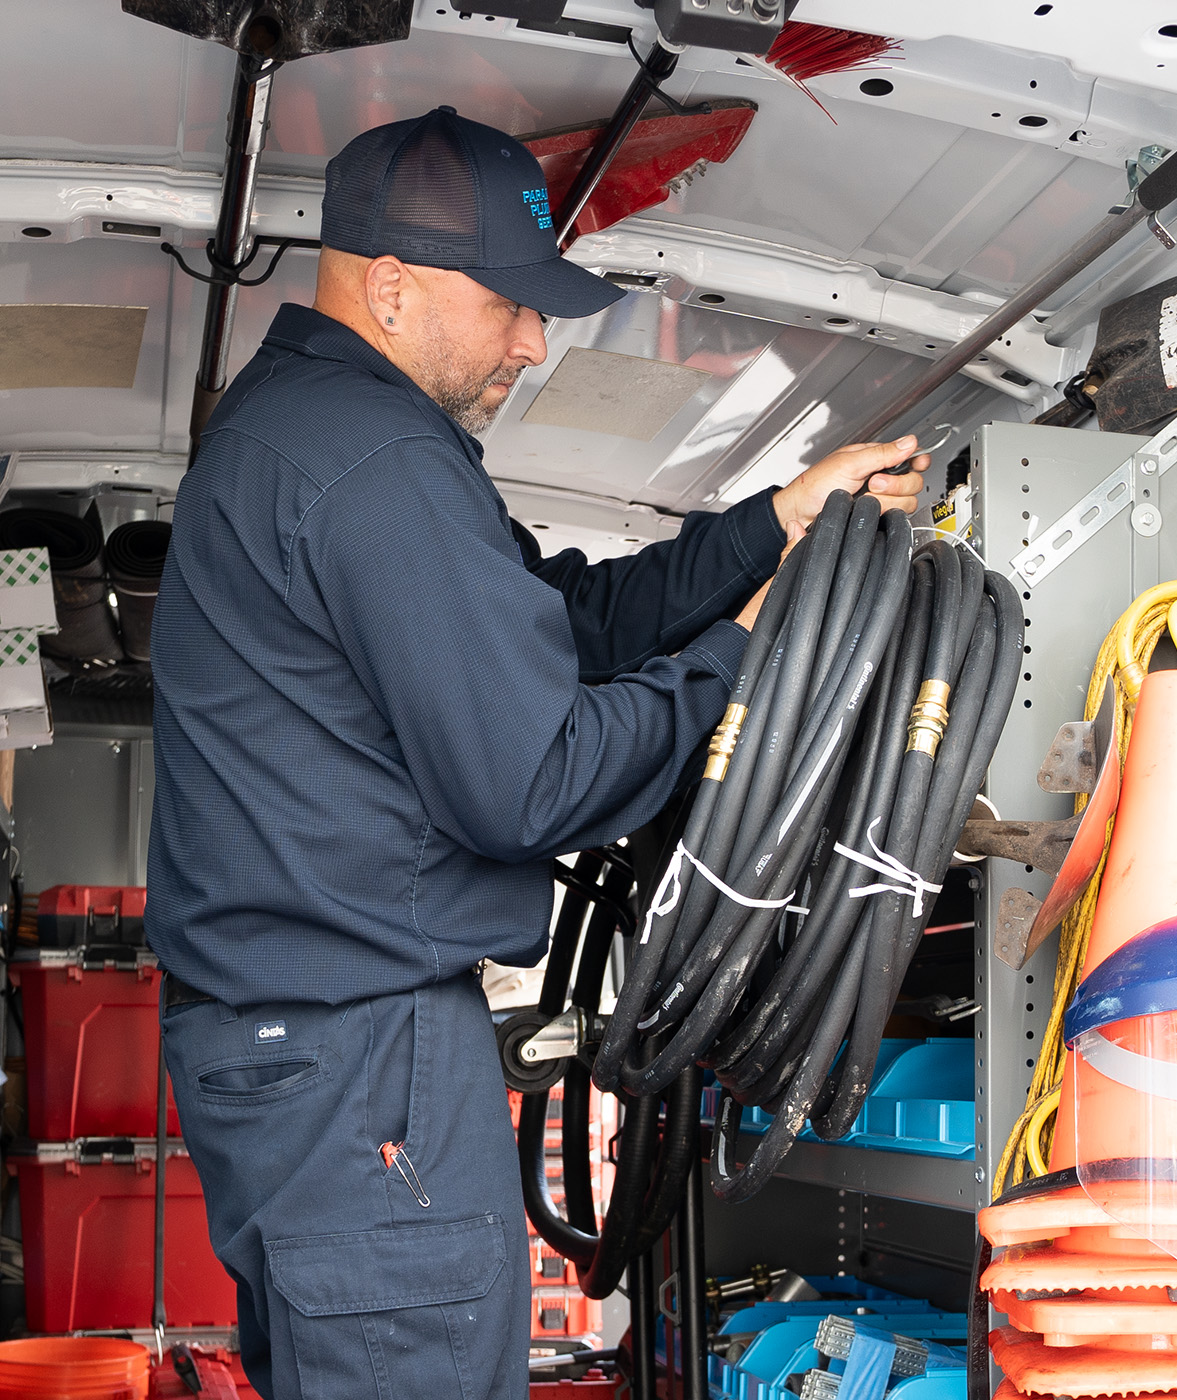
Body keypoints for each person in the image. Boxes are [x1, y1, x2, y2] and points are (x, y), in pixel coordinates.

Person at [146, 106, 927, 1400]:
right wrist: (751, 657)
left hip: (308, 1060)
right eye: (506, 301)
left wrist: (769, 530)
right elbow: (538, 779)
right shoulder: (376, 462)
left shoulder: (315, 432)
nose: (533, 339)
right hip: (366, 1067)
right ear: (388, 288)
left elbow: (557, 630)